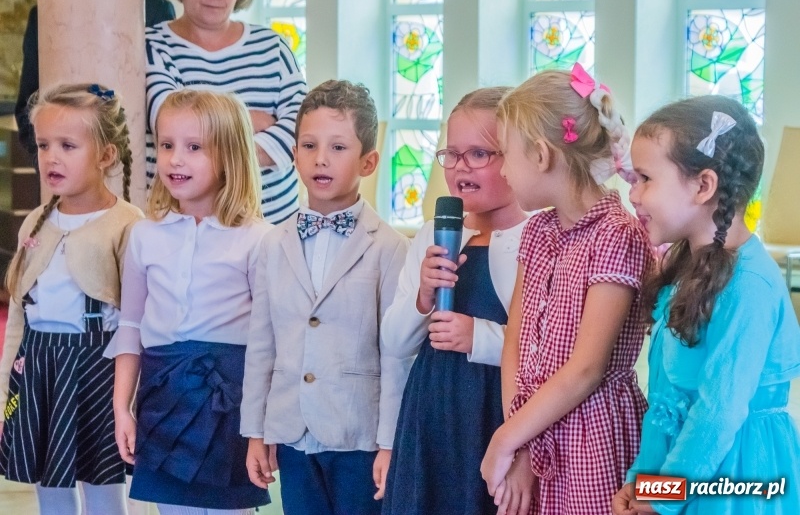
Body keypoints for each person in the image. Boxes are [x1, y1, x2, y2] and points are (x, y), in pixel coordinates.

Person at [612, 96, 800, 515]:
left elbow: (719, 412)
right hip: (683, 471)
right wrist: (641, 481)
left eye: (645, 178)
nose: (633, 194)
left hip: (736, 479)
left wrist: (660, 495)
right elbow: (667, 401)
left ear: (703, 186)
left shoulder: (749, 285)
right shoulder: (685, 266)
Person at [480, 63, 655, 514]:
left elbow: (586, 370)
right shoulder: (537, 231)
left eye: (505, 155)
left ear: (541, 156)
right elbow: (515, 340)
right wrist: (520, 441)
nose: (502, 171)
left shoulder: (617, 235)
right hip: (532, 427)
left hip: (591, 435)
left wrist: (504, 439)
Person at [241, 80, 409, 515]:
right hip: (292, 429)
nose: (320, 158)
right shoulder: (272, 243)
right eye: (309, 145)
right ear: (294, 153)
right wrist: (256, 431)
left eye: (338, 147)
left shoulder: (389, 247)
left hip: (358, 434)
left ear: (368, 161)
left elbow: (396, 354)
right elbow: (261, 345)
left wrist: (390, 442)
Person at [106, 90, 271, 514]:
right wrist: (122, 407)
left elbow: (269, 340)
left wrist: (261, 426)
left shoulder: (258, 239)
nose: (175, 159)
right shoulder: (144, 235)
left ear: (229, 155)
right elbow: (130, 325)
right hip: (161, 394)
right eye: (166, 145)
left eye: (194, 147)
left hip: (228, 400)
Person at [380, 87, 532, 515]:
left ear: (517, 158)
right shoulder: (434, 232)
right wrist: (423, 296)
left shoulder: (534, 238)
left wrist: (477, 336)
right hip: (431, 406)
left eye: (479, 154)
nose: (461, 167)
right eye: (451, 154)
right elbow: (395, 343)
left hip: (495, 408)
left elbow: (547, 349)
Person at [0, 83, 142, 515]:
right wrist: (6, 387)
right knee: (49, 480)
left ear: (105, 155)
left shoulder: (128, 224)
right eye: (44, 145)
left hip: (98, 367)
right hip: (38, 367)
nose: (51, 157)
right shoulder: (35, 224)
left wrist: (131, 400)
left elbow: (137, 321)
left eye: (67, 145)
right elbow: (19, 316)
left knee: (102, 481)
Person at [147, 0, 307, 224]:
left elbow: (303, 130)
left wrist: (205, 144)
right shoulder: (151, 46)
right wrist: (249, 122)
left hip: (275, 227)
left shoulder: (274, 47)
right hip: (184, 230)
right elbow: (170, 125)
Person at [14, 0, 176, 161]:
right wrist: (52, 162)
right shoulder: (46, 13)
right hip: (63, 169)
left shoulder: (156, 10)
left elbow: (168, 112)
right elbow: (28, 106)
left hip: (140, 165)